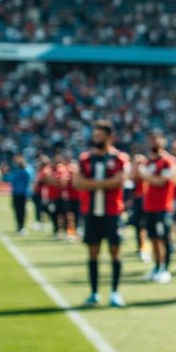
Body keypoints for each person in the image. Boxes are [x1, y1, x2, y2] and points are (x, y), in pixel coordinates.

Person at [74, 120, 130, 308]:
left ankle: (115, 292)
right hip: (90, 212)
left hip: (112, 212)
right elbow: (77, 181)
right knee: (92, 252)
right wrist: (104, 184)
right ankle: (94, 292)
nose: (96, 138)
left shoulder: (120, 158)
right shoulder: (85, 158)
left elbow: (119, 181)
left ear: (109, 136)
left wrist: (93, 184)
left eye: (99, 135)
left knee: (115, 251)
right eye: (94, 135)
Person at [139, 131, 176, 284]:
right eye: (151, 139)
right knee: (153, 237)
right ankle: (157, 266)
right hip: (149, 206)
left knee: (164, 237)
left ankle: (165, 269)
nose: (153, 142)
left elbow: (161, 181)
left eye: (156, 139)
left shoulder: (168, 161)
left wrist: (146, 176)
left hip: (164, 206)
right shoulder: (148, 162)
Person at [4, 153, 34, 234]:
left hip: (21, 194)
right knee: (19, 210)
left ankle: (21, 225)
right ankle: (20, 225)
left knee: (20, 210)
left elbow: (10, 180)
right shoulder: (22, 172)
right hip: (19, 194)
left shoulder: (25, 172)